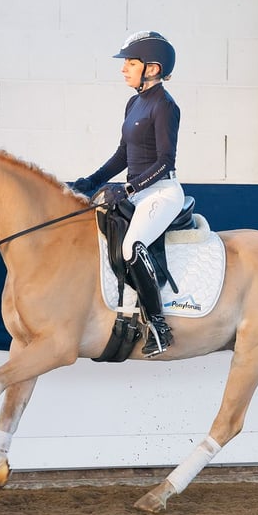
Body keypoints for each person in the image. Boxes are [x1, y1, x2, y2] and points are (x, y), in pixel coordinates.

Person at [73, 31, 185, 357]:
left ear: (152, 68)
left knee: (131, 247)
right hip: (136, 192)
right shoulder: (134, 102)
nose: (124, 69)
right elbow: (123, 155)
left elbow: (165, 162)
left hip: (161, 192)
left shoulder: (165, 106)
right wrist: (89, 181)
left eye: (130, 63)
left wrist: (129, 187)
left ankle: (159, 327)